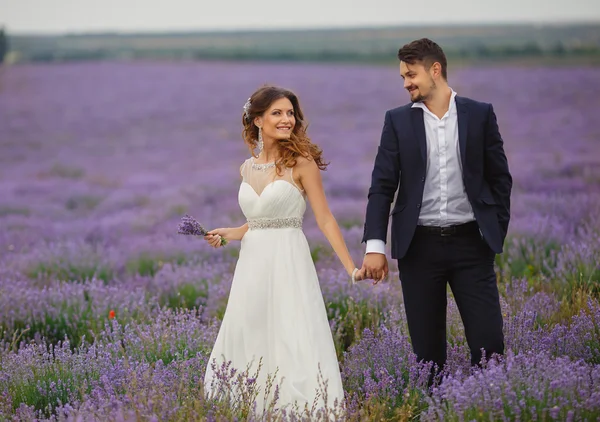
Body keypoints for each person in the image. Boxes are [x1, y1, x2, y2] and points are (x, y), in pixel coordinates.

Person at [202, 85, 364, 414]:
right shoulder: (247, 168)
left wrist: (351, 268)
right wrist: (231, 233)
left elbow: (326, 219)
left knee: (291, 330)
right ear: (258, 120)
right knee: (252, 327)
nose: (287, 119)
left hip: (288, 259)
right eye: (277, 113)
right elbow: (260, 220)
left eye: (290, 113)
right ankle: (252, 405)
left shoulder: (302, 164)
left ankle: (297, 409)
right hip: (253, 262)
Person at [361, 38, 512, 384]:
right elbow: (382, 187)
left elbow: (500, 178)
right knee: (428, 358)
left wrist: (494, 230)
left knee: (490, 346)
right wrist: (375, 247)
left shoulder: (480, 114)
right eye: (402, 77)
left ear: (435, 70)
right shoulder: (397, 121)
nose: (406, 83)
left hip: (472, 245)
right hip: (418, 249)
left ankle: (488, 407)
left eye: (411, 75)